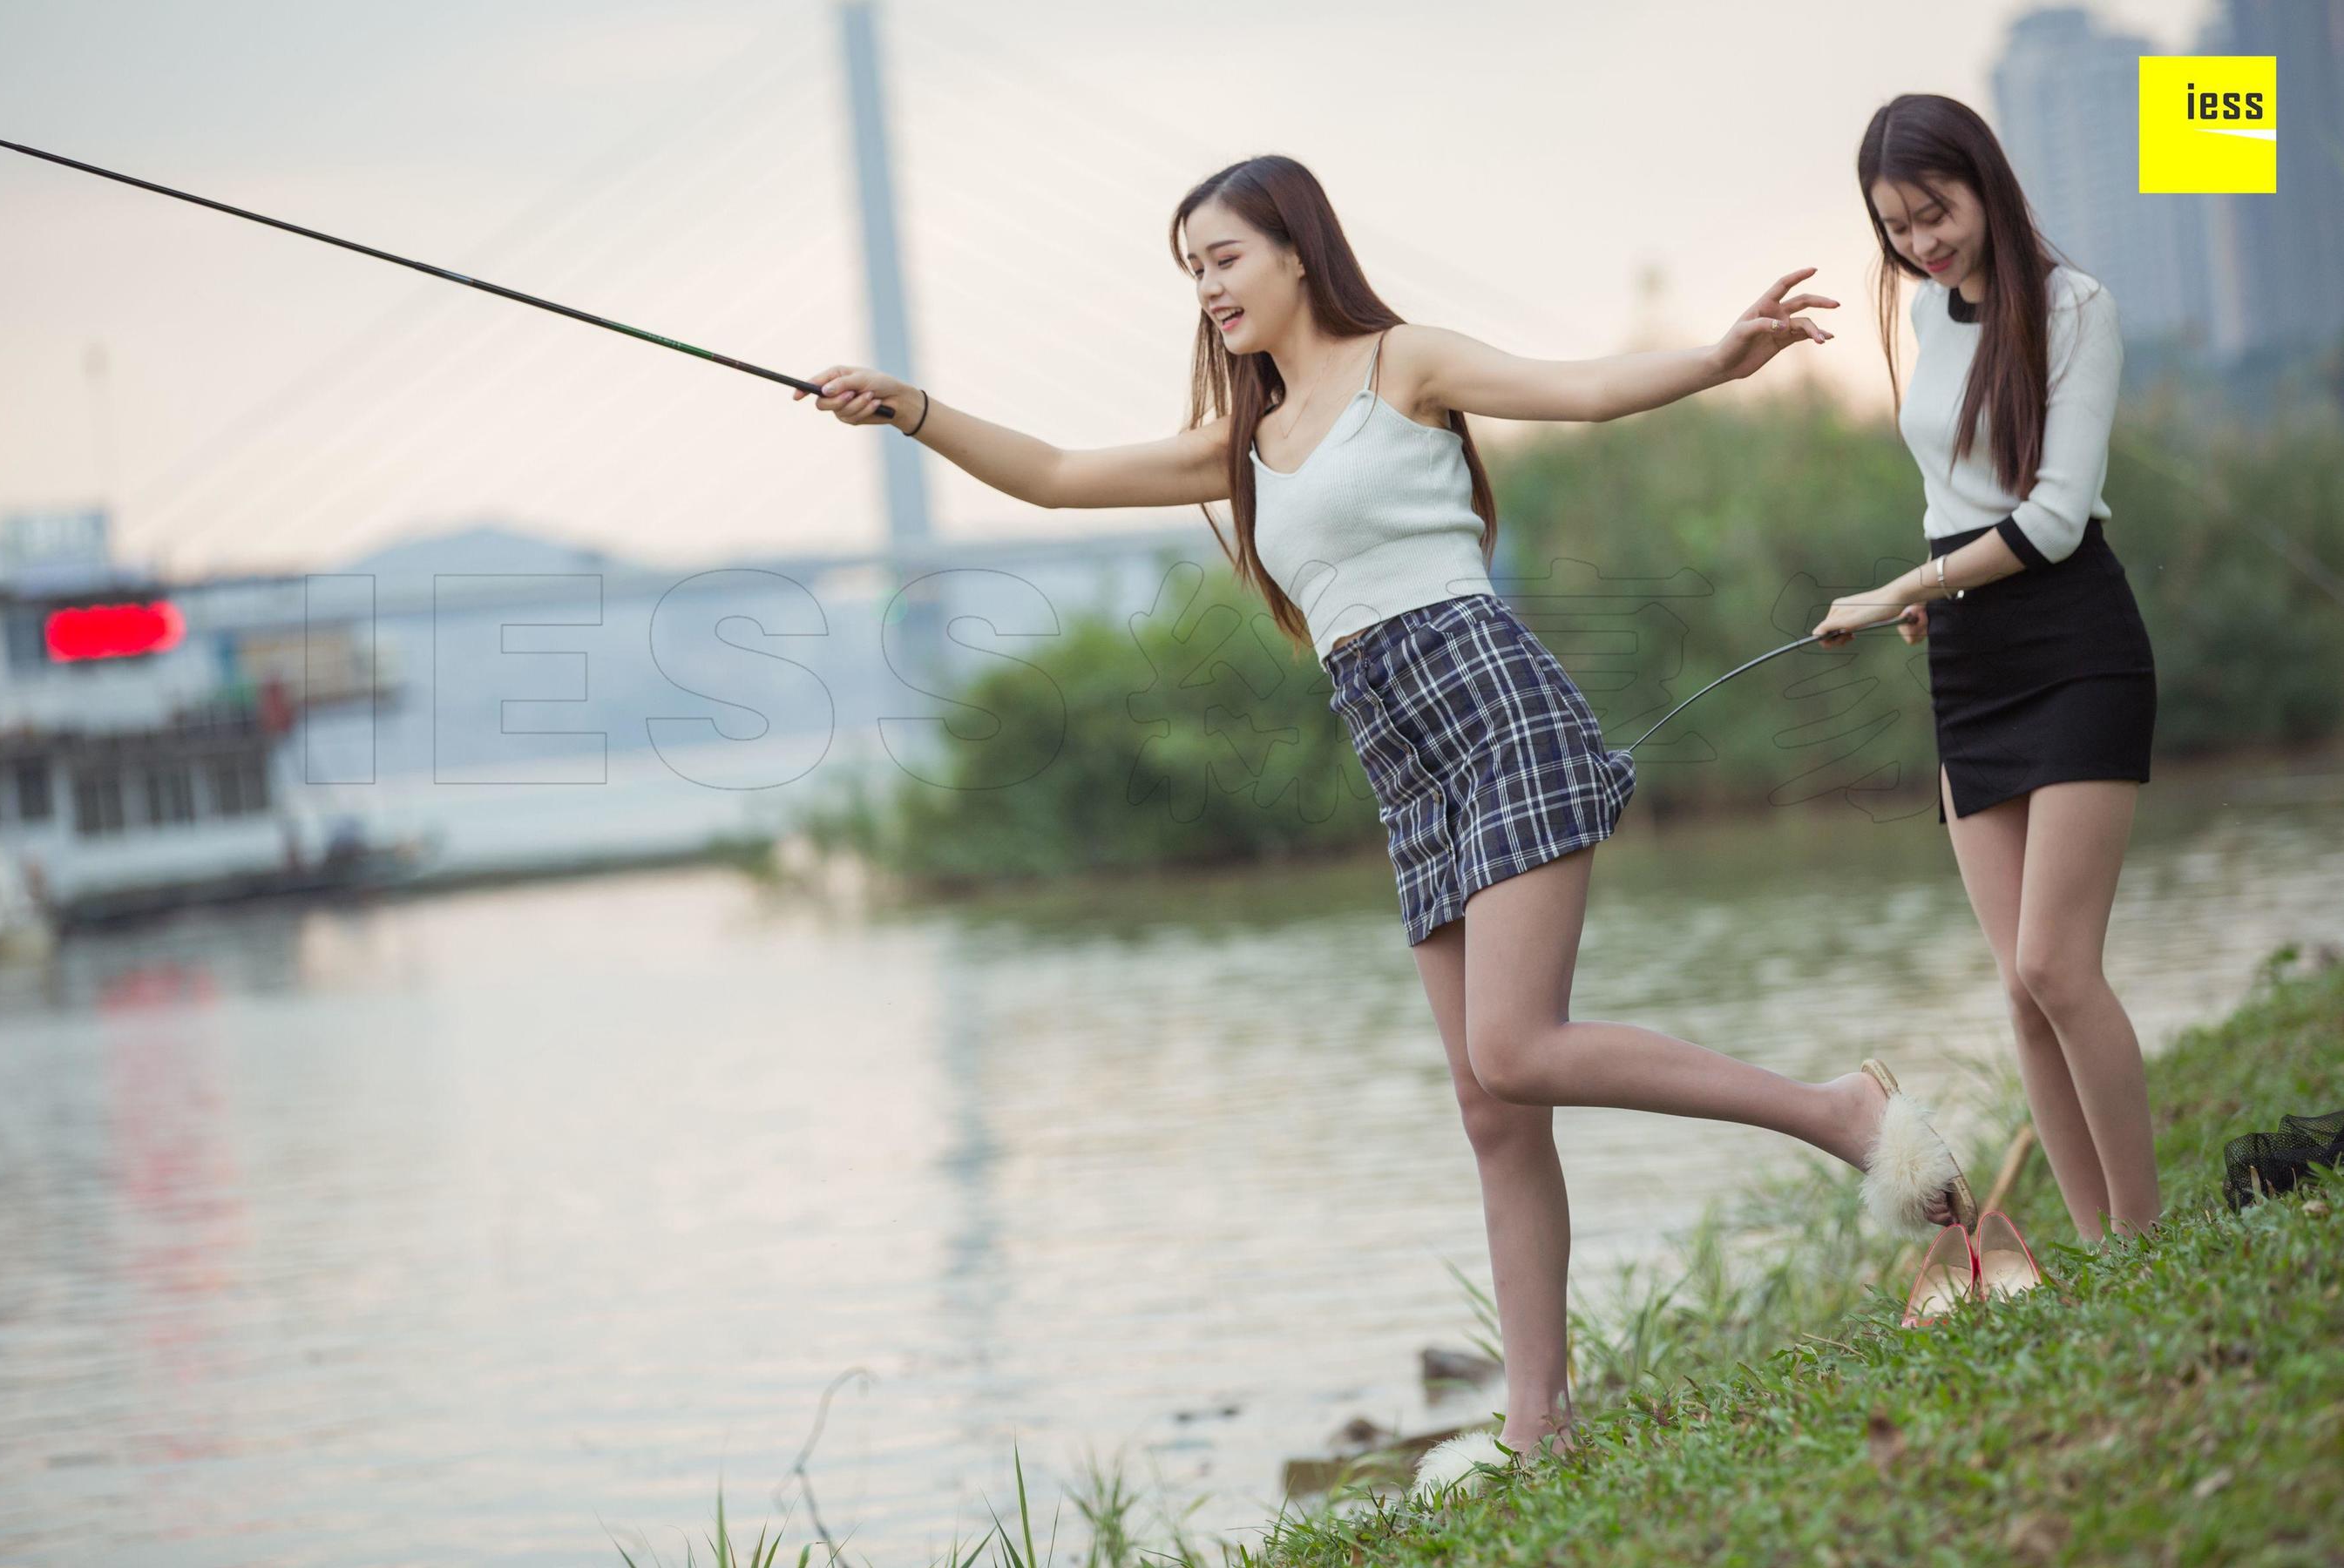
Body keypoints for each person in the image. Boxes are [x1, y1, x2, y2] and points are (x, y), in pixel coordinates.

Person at [801, 153, 1973, 1472]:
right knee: (1490, 1105)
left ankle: (1839, 1114)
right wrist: (908, 409)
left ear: (1297, 252)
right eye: (1190, 270)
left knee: (1519, 1048)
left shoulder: (1400, 365)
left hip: (1493, 705)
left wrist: (1714, 359)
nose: (1208, 287)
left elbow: (1575, 390)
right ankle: (1542, 1425)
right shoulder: (1242, 446)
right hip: (1399, 755)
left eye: (1225, 257)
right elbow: (1059, 475)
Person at [1811, 95, 2162, 1250]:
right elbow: (1950, 492)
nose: (1922, 241)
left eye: (1935, 210)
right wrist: (1941, 596)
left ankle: (2142, 1241)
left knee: (2060, 965)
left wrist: (1899, 592)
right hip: (1970, 658)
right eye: (1898, 227)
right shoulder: (1929, 312)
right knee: (2019, 986)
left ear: (1984, 180)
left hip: (2074, 648)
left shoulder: (2077, 307)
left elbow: (2055, 521)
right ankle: (2096, 1239)